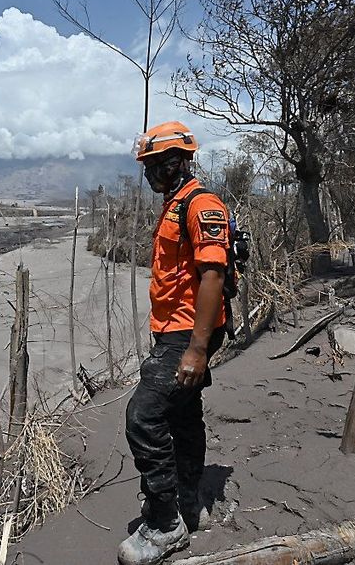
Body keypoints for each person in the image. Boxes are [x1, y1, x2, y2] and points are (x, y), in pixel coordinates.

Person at [118, 121, 230, 565]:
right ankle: (188, 501)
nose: (148, 175)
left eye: (153, 167)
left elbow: (213, 276)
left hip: (189, 334)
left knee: (143, 417)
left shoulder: (201, 205)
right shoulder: (174, 204)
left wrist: (197, 350)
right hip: (175, 331)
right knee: (183, 415)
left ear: (176, 163)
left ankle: (166, 524)